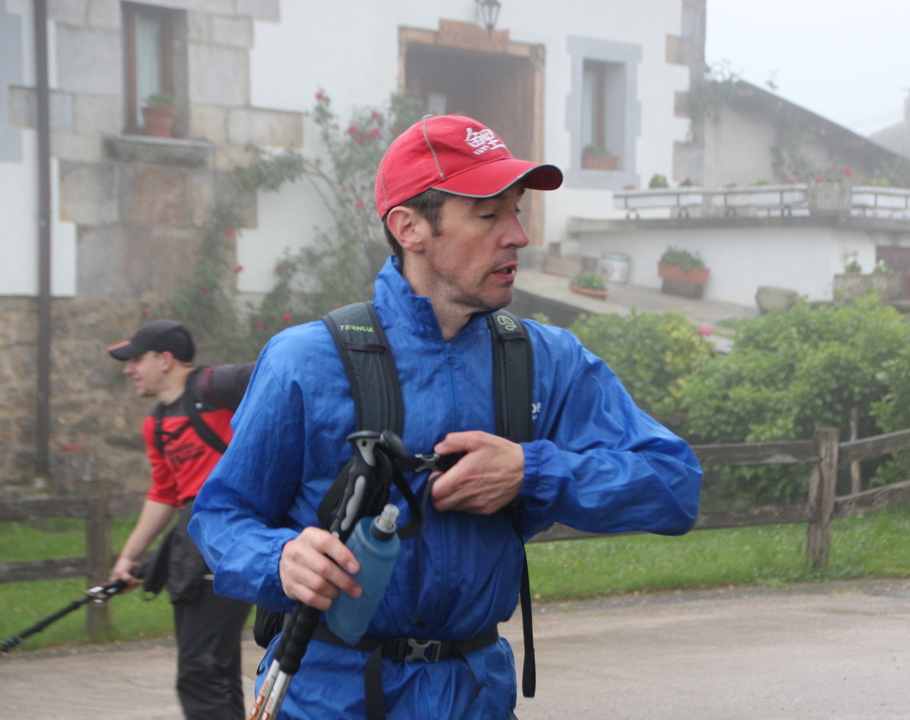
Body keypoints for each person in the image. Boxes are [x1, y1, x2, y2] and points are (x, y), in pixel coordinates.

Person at [189, 114, 702, 720]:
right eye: (488, 215)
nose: (518, 235)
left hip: (476, 696)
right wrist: (277, 559)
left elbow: (675, 485)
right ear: (409, 227)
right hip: (327, 697)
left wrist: (533, 472)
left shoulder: (546, 361)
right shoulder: (305, 360)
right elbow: (221, 516)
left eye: (516, 211)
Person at [106, 319, 254, 720]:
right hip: (194, 546)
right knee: (214, 669)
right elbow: (164, 493)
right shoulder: (155, 423)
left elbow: (286, 373)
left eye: (136, 360)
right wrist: (128, 558)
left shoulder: (219, 386)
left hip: (233, 541)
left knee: (200, 672)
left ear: (165, 360)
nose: (129, 369)